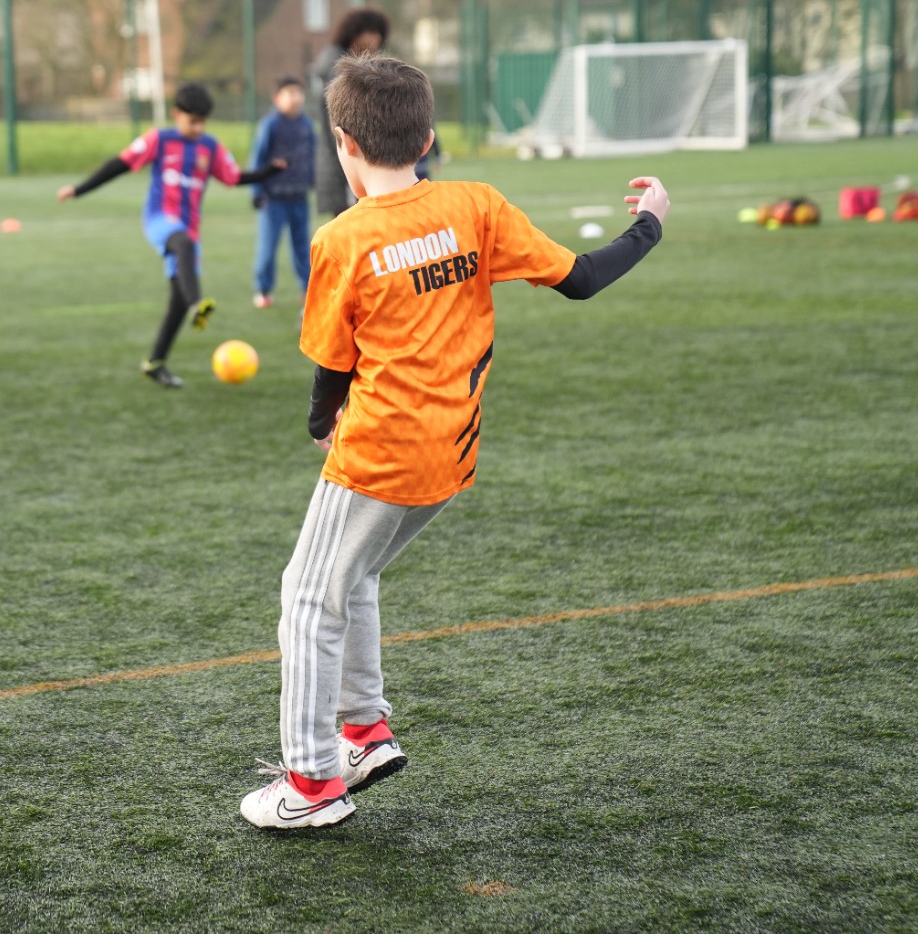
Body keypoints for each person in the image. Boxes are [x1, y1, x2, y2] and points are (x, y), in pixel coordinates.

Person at [239, 55, 670, 830]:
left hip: (379, 452)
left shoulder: (344, 238)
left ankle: (311, 786)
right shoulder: (475, 205)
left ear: (343, 143)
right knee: (354, 576)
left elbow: (331, 364)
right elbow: (579, 277)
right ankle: (365, 732)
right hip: (452, 453)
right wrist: (651, 224)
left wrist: (317, 425)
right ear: (428, 137)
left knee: (306, 599)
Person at [57, 83, 285, 387]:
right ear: (176, 114)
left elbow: (233, 177)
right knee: (182, 245)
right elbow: (119, 164)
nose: (198, 127)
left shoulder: (210, 147)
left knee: (177, 295)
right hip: (159, 220)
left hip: (190, 229)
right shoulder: (159, 140)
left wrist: (270, 170)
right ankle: (197, 304)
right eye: (193, 121)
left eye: (203, 121)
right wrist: (78, 189)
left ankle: (155, 362)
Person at [309, 8, 391, 219]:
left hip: (347, 161)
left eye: (378, 33)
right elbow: (343, 122)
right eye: (371, 32)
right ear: (353, 33)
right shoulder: (337, 67)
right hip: (345, 164)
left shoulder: (337, 62)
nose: (377, 39)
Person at [249, 76, 317, 308]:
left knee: (302, 246)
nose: (295, 98)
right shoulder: (270, 125)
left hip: (299, 197)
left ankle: (307, 288)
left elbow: (313, 159)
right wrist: (257, 191)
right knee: (268, 247)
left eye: (298, 93)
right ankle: (263, 290)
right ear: (277, 98)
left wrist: (316, 183)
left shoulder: (307, 126)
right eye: (289, 93)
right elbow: (257, 160)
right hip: (274, 199)